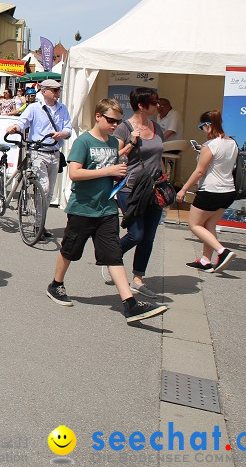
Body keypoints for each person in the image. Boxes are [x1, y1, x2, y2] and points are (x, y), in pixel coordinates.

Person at [45, 98, 168, 324]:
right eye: (110, 120)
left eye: (118, 121)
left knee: (113, 254)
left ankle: (130, 304)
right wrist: (108, 170)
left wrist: (117, 171)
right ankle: (56, 284)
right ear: (98, 116)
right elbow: (75, 173)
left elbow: (109, 165)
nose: (114, 125)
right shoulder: (83, 142)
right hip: (83, 207)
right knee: (70, 250)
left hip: (106, 208)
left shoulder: (113, 143)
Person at [103, 87, 165, 298]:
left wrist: (165, 182)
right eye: (154, 102)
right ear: (141, 105)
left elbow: (159, 158)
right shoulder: (124, 128)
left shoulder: (157, 127)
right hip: (130, 188)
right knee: (136, 234)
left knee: (148, 237)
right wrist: (131, 143)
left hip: (154, 189)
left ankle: (138, 279)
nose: (158, 106)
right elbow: (114, 156)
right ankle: (111, 258)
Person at [5, 79, 71, 238]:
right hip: (38, 152)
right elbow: (23, 121)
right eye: (54, 90)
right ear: (44, 91)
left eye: (58, 90)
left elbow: (68, 128)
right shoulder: (34, 107)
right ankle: (38, 225)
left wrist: (63, 133)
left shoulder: (63, 109)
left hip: (54, 153)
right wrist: (15, 128)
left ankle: (39, 224)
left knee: (48, 194)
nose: (57, 93)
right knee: (44, 188)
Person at [177, 110, 239, 274]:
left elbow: (199, 171)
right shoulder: (232, 143)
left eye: (201, 127)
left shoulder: (209, 146)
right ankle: (205, 261)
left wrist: (183, 189)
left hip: (210, 191)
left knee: (194, 225)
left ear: (207, 125)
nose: (202, 130)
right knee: (209, 224)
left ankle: (222, 251)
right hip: (228, 191)